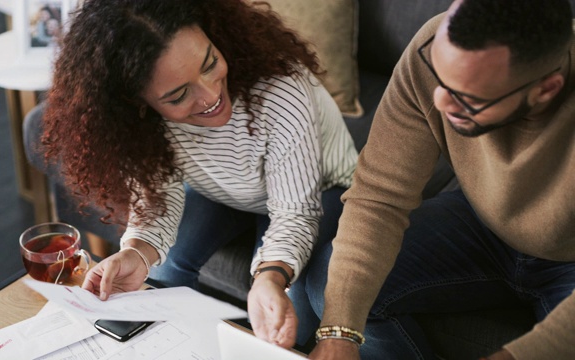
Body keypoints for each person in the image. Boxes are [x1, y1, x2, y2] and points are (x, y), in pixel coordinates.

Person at [40, 0, 357, 349]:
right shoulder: (141, 124)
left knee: (293, 303)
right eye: (178, 95)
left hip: (323, 189)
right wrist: (137, 251)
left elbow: (294, 211)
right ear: (138, 104)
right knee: (160, 272)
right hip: (227, 190)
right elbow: (155, 197)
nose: (210, 96)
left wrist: (269, 276)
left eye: (209, 64)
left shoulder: (280, 90)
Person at [306, 0, 575, 359]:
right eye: (439, 77)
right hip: (482, 222)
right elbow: (378, 197)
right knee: (331, 284)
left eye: (466, 99)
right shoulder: (432, 46)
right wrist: (338, 332)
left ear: (545, 90)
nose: (440, 102)